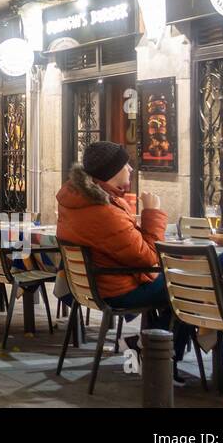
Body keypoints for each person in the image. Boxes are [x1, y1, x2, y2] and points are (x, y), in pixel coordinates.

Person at [55, 140, 189, 379]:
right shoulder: (102, 212)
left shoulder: (80, 202)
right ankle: (157, 361)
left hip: (97, 286)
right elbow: (148, 258)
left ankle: (148, 346)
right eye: (126, 165)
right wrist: (153, 212)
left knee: (179, 287)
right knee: (188, 289)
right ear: (112, 172)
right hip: (117, 289)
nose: (130, 169)